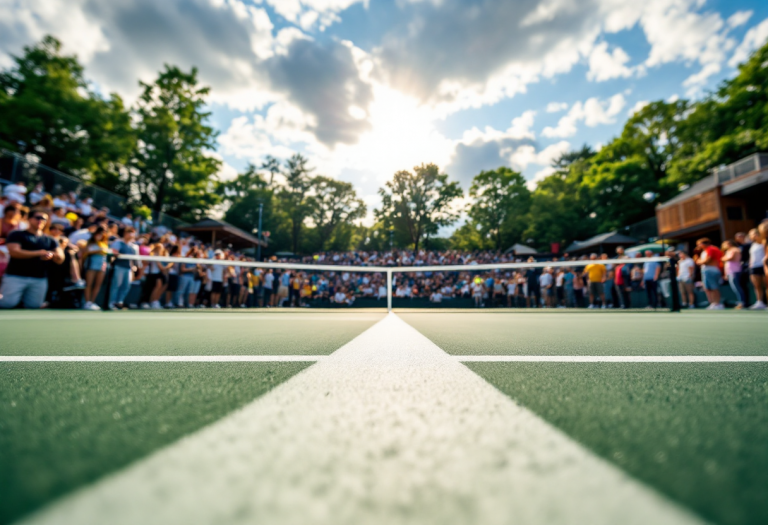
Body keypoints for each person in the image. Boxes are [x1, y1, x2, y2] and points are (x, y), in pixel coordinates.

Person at [0, 212, 64, 309]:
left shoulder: (50, 239)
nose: (41, 221)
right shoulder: (17, 234)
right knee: (7, 304)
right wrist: (39, 253)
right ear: (29, 219)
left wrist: (50, 255)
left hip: (39, 278)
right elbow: (14, 252)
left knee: (34, 306)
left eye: (44, 219)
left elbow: (60, 258)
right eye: (38, 218)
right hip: (16, 276)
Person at [108, 227, 138, 310]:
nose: (131, 235)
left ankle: (119, 302)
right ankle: (111, 303)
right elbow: (114, 253)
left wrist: (133, 267)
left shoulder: (133, 246)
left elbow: (133, 259)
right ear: (125, 233)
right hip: (119, 267)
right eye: (129, 232)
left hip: (128, 268)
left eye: (132, 233)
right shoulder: (118, 243)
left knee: (126, 286)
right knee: (116, 285)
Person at [80, 226, 110, 310]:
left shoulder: (105, 244)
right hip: (92, 264)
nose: (100, 235)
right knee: (89, 283)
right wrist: (98, 250)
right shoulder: (90, 243)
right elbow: (86, 252)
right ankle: (87, 302)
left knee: (98, 284)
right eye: (98, 234)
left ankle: (92, 302)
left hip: (102, 265)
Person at [693, 238, 723, 309]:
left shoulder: (711, 249)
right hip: (706, 270)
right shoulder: (705, 251)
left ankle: (717, 303)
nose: (698, 246)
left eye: (699, 244)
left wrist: (699, 261)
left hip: (711, 270)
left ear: (703, 244)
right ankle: (713, 303)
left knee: (714, 287)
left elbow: (707, 260)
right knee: (708, 288)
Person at [721, 240, 745, 309]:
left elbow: (730, 258)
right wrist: (725, 274)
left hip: (735, 271)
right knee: (735, 288)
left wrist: (724, 258)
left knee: (737, 287)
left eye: (726, 244)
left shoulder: (735, 249)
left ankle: (742, 302)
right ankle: (740, 302)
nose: (725, 245)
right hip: (730, 271)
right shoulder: (728, 251)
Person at [747, 228, 766, 310]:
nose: (754, 235)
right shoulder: (753, 245)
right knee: (757, 286)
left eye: (756, 234)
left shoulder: (764, 243)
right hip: (754, 267)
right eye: (752, 234)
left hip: (763, 266)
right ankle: (759, 302)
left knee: (766, 285)